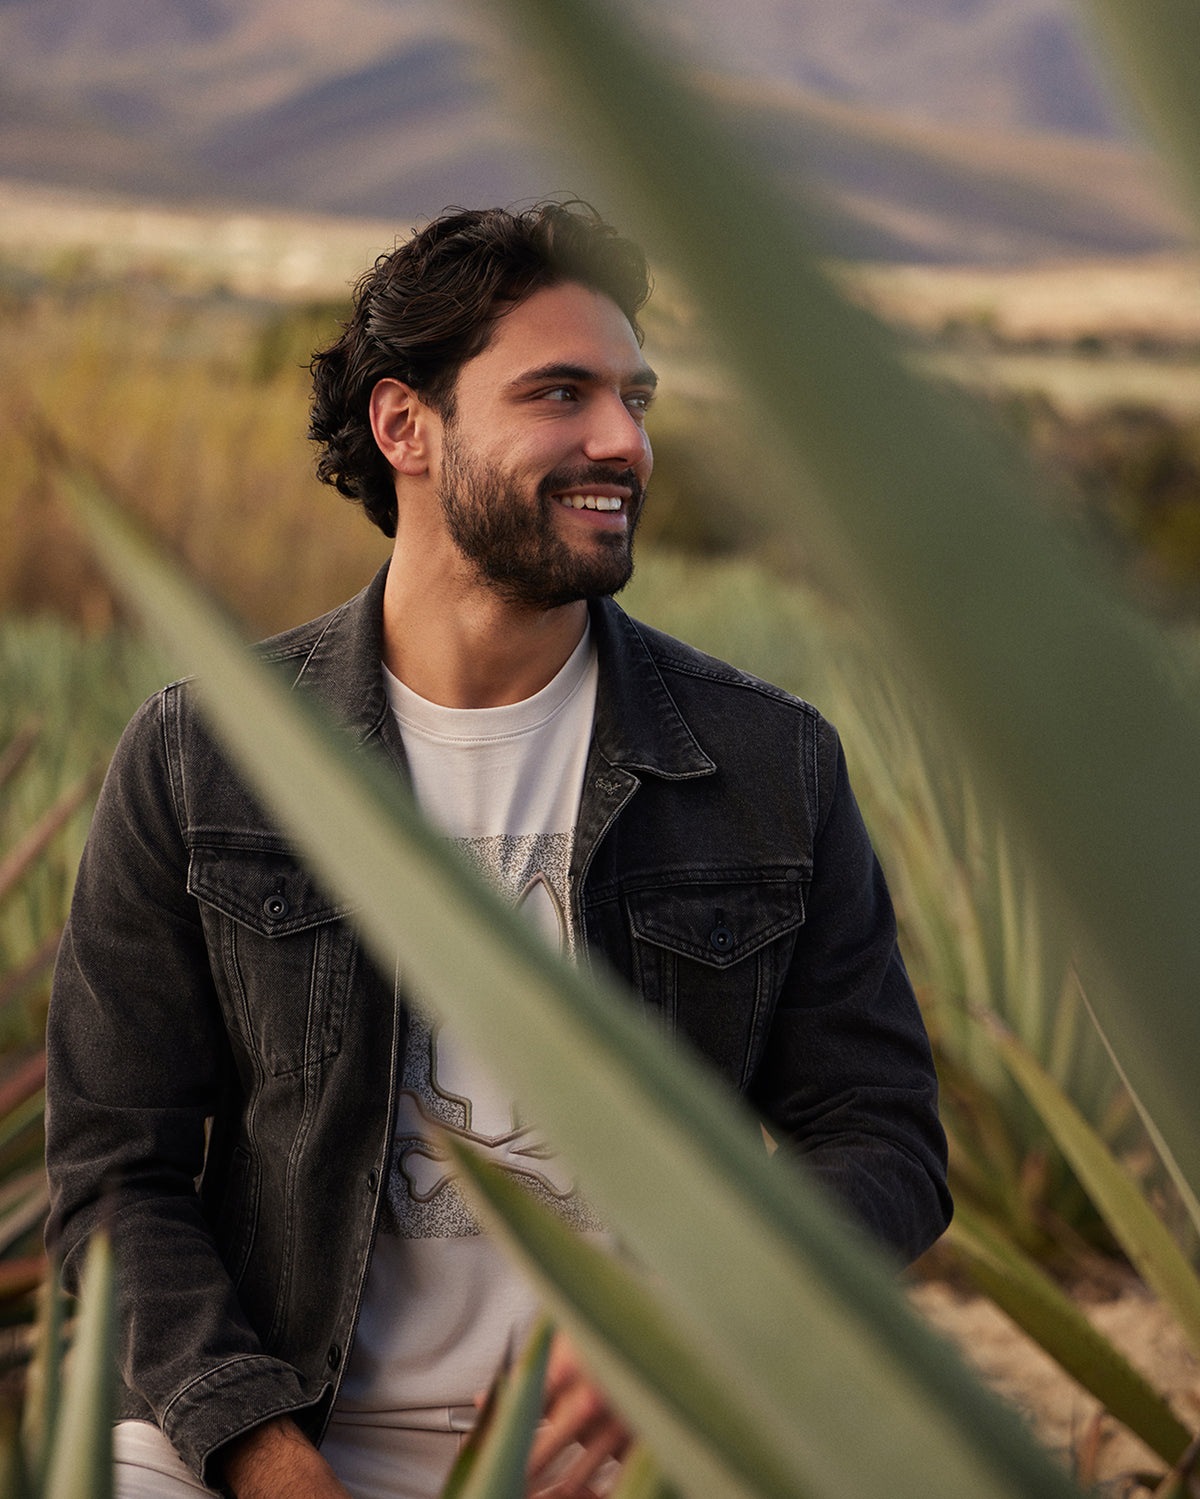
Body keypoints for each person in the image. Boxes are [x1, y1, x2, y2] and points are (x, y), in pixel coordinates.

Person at [45, 202, 951, 1499]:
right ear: (405, 426)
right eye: (560, 393)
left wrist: (709, 1326)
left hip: (653, 1455)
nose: (623, 440)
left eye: (635, 397)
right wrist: (265, 1457)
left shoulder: (767, 765)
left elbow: (880, 1141)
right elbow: (115, 1177)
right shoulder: (205, 757)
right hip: (266, 1447)